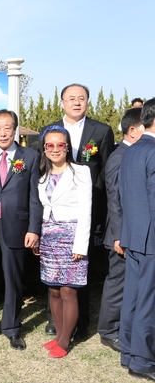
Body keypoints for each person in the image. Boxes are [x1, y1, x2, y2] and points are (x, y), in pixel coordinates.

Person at [41, 83, 114, 339]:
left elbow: (105, 173)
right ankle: (56, 324)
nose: (76, 102)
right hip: (52, 223)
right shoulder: (47, 131)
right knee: (53, 281)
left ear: (87, 102)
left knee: (78, 276)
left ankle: (80, 323)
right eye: (71, 98)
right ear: (62, 102)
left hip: (84, 214)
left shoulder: (101, 131)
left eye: (81, 98)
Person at [0, 109, 41, 351]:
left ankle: (12, 329)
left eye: (7, 127)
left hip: (17, 226)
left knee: (13, 280)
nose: (3, 132)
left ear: (15, 130)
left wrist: (34, 228)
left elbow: (35, 196)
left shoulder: (31, 156)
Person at [33, 125, 92, 358]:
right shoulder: (42, 174)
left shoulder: (81, 172)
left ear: (67, 148)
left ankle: (65, 341)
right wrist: (39, 236)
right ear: (44, 149)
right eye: (50, 145)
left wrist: (80, 245)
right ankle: (57, 335)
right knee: (54, 289)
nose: (55, 149)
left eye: (60, 145)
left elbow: (86, 210)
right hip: (49, 235)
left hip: (72, 235)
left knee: (69, 290)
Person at [97, 108, 144, 352]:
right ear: (133, 130)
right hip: (120, 235)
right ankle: (108, 330)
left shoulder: (133, 153)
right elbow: (114, 201)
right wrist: (119, 236)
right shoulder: (120, 157)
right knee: (117, 282)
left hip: (133, 233)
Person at [119, 98, 155, 382]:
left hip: (134, 234)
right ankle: (143, 360)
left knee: (133, 295)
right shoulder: (152, 151)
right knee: (148, 300)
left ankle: (129, 352)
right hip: (151, 237)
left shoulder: (131, 149)